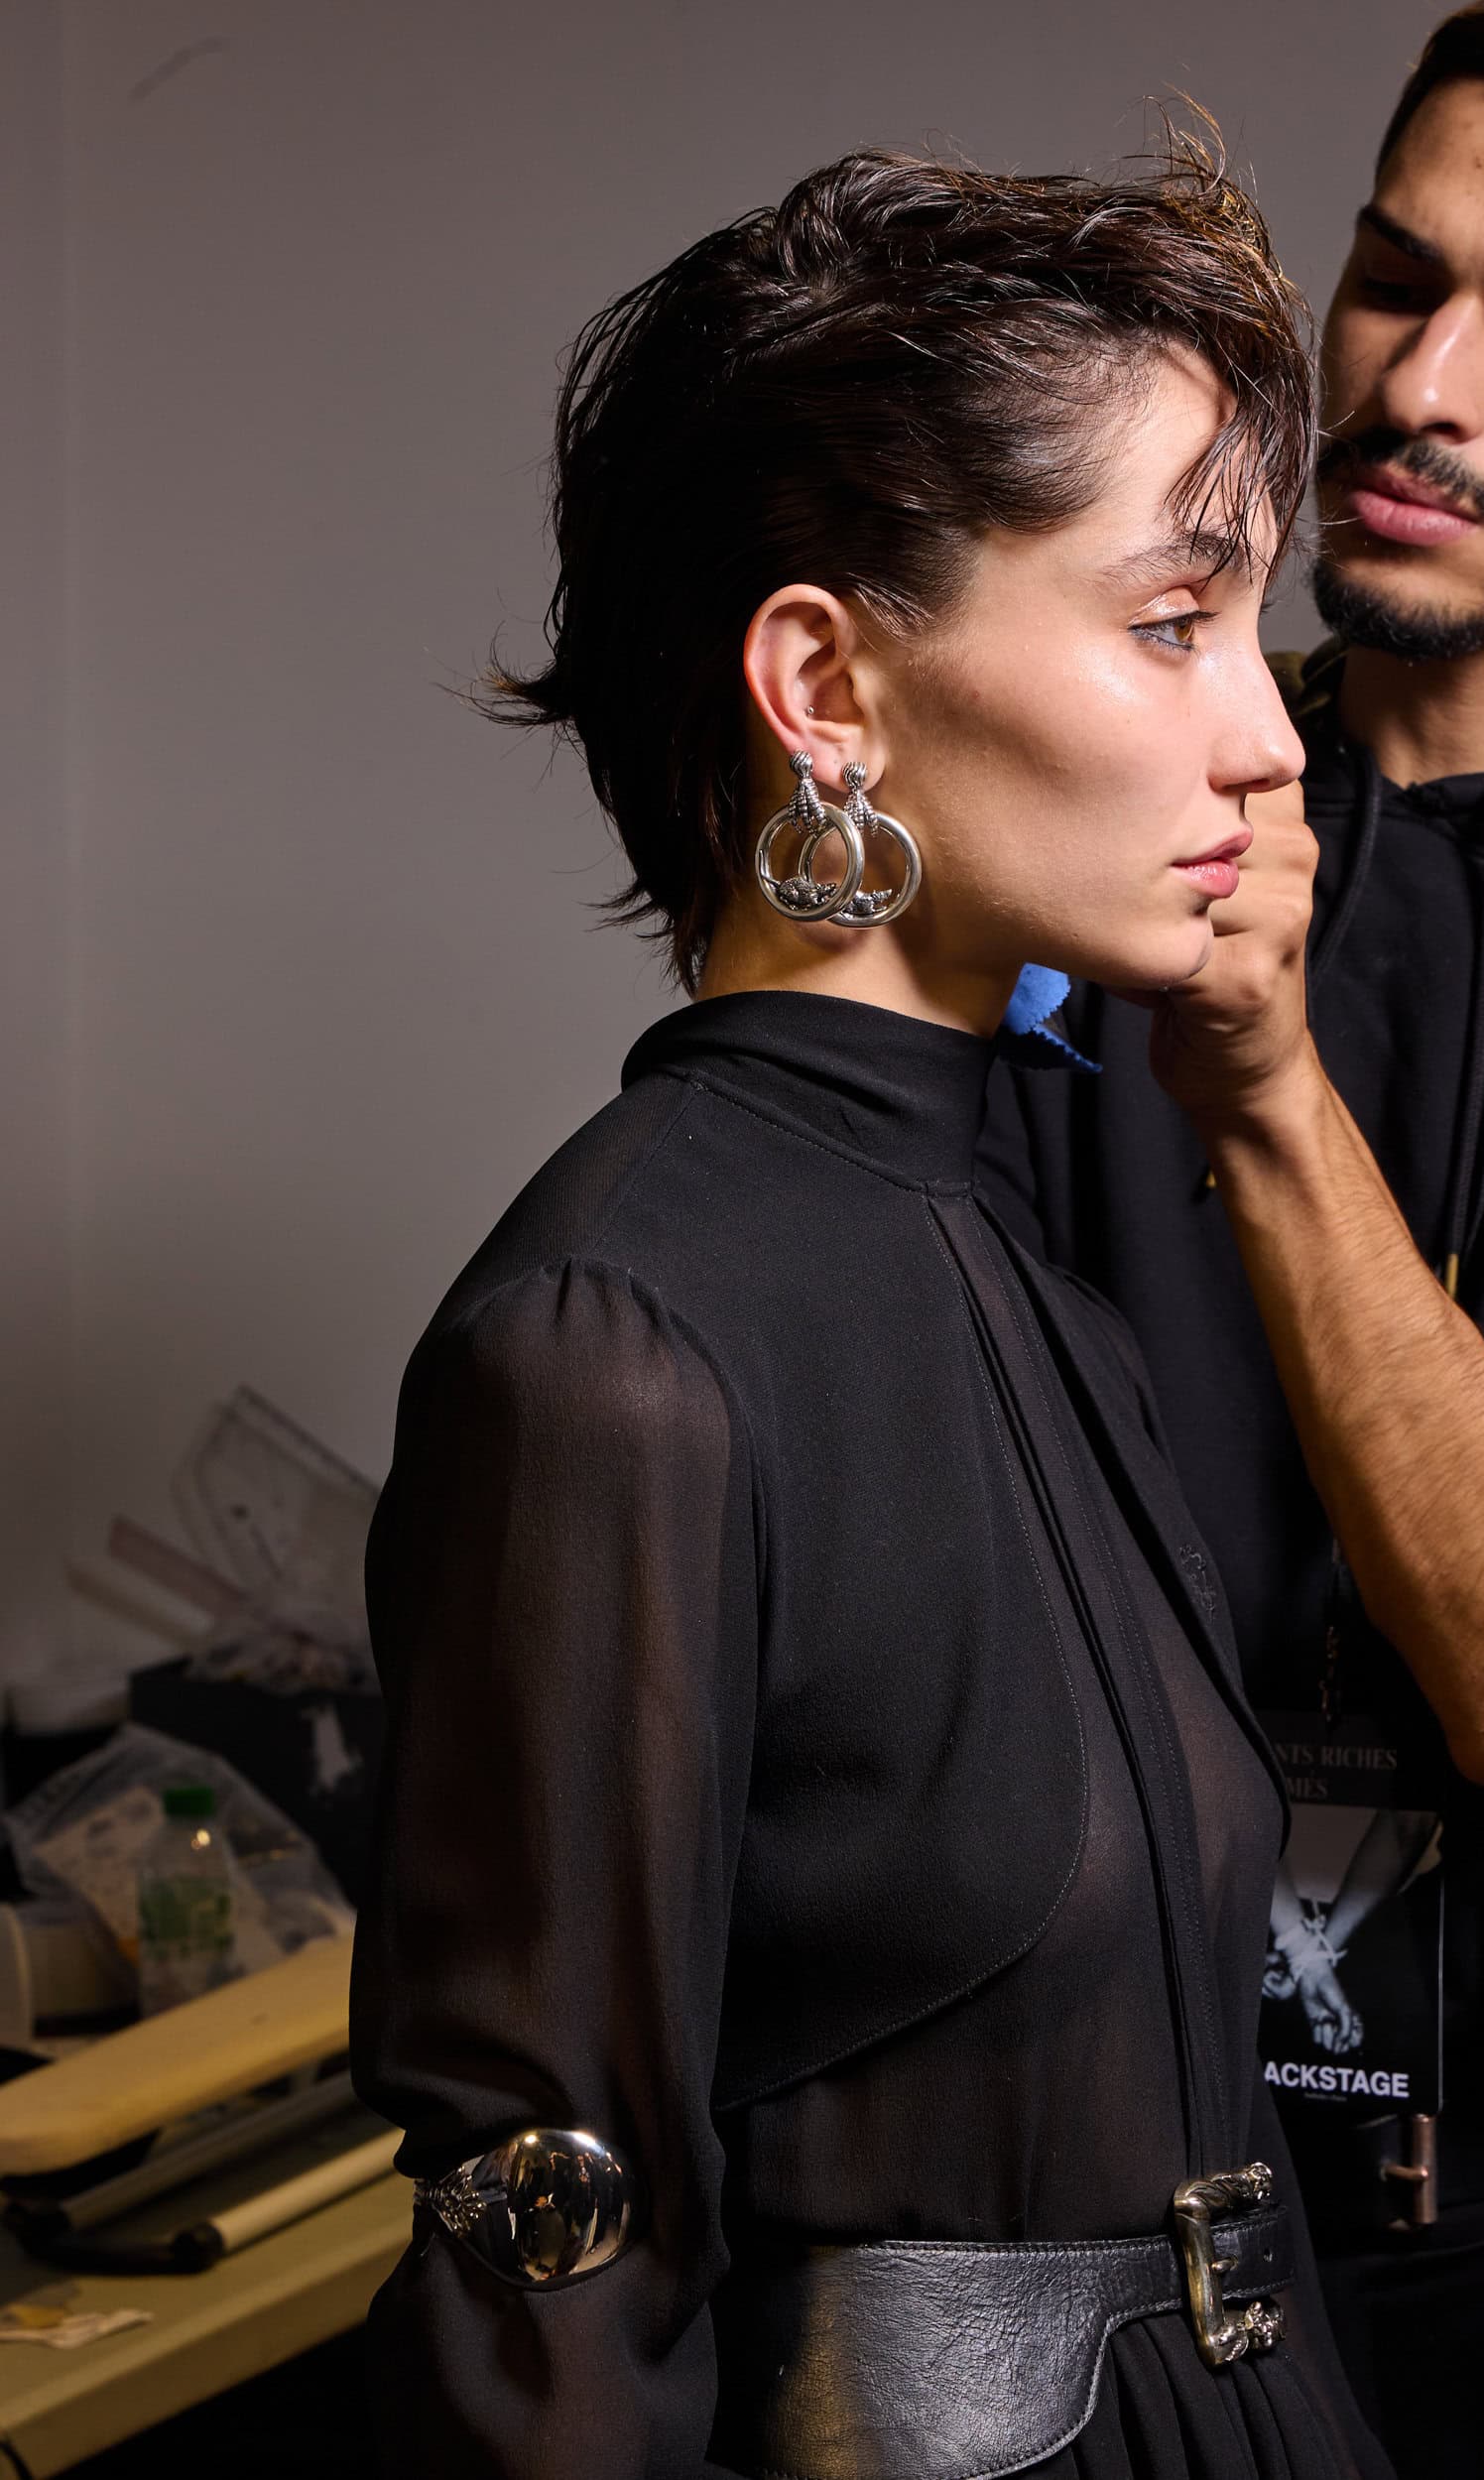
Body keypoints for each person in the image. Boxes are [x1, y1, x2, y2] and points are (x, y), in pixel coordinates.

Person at [348, 144, 1390, 2480]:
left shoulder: (1019, 1244)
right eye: (1173, 618)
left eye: (1255, 625)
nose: (1268, 733)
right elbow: (549, 2303)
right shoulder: (618, 1343)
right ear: (827, 683)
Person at [980, 8, 1484, 2475]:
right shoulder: (1108, 799)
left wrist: (1264, 1085)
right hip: (1062, 2226)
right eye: (1394, 279)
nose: (1419, 385)